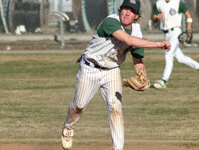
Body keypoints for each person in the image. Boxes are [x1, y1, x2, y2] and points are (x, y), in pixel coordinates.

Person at [61, 0, 171, 150]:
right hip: (90, 68)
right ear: (120, 10)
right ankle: (68, 127)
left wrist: (142, 77)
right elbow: (128, 40)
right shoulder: (110, 21)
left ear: (136, 16)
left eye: (131, 11)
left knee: (115, 109)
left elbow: (138, 60)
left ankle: (118, 148)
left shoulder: (137, 31)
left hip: (112, 70)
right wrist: (158, 44)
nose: (126, 13)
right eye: (125, 8)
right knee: (79, 105)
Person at [152, 0, 199, 89]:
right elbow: (154, 17)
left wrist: (188, 30)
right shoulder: (159, 3)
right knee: (180, 58)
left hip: (176, 32)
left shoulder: (178, 2)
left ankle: (164, 81)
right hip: (166, 34)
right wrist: (157, 17)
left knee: (169, 55)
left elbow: (188, 16)